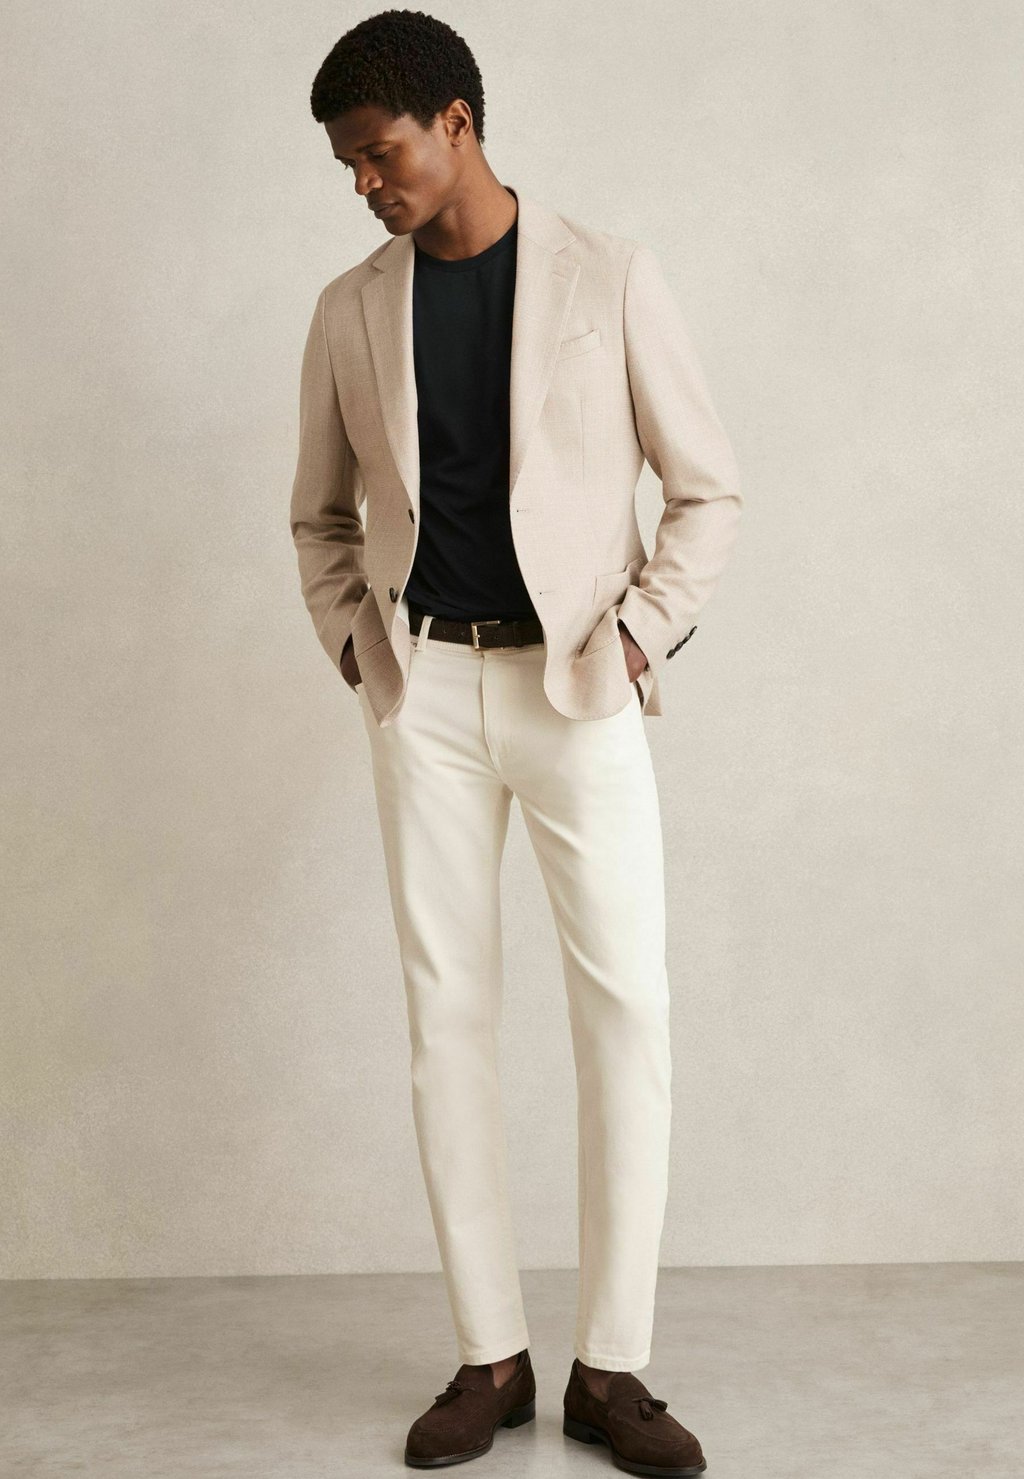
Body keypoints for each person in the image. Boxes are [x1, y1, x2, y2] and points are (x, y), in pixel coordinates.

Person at [291, 11, 741, 1473]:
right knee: (448, 1023)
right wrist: (361, 651)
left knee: (627, 1015)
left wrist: (637, 639)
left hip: (576, 689)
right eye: (350, 167)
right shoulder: (349, 309)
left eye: (381, 153)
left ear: (459, 122)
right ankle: (491, 1356)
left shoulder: (610, 276)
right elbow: (318, 517)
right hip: (423, 691)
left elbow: (707, 490)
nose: (367, 184)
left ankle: (614, 1367)